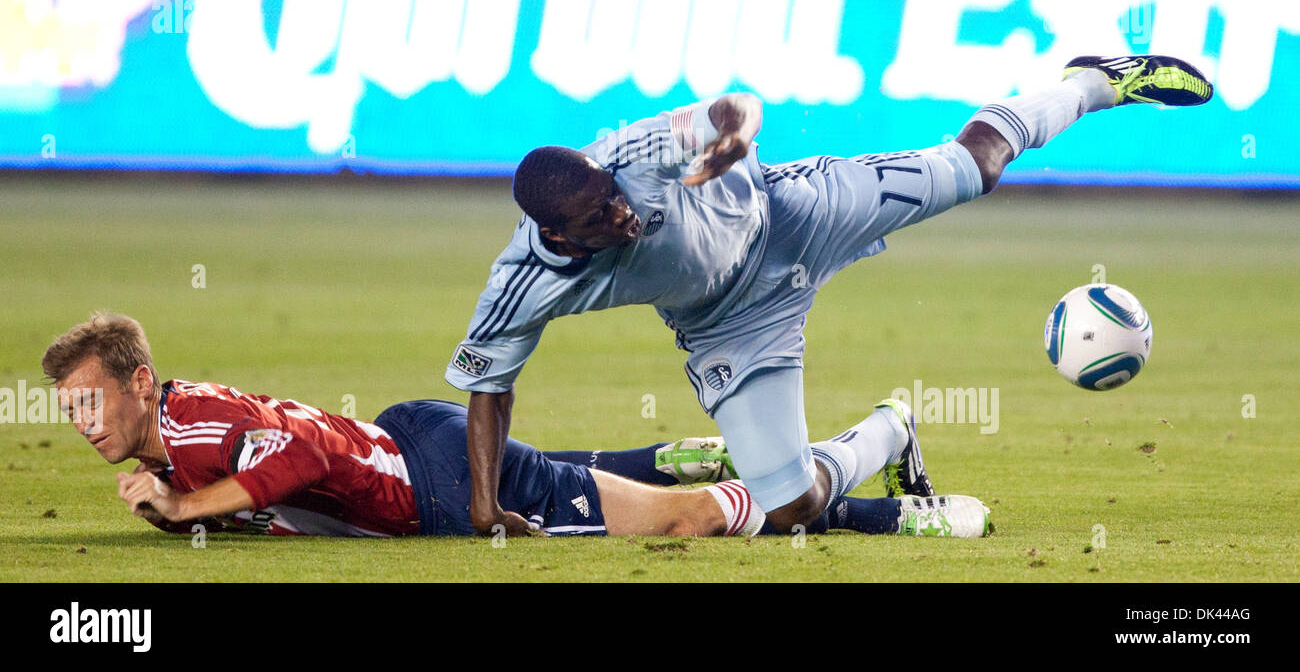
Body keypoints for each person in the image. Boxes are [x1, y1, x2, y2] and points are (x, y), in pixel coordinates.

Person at [448, 55, 1214, 537]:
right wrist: (484, 506)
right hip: (729, 322)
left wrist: (732, 142)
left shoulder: (629, 157)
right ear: (559, 233)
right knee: (792, 507)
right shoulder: (525, 282)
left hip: (798, 212)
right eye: (598, 218)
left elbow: (736, 104)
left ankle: (1093, 82)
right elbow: (489, 388)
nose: (620, 211)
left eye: (612, 198)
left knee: (973, 166)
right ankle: (890, 432)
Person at [44, 313, 992, 539]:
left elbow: (307, 450)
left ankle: (883, 457)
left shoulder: (196, 429)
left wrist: (187, 507)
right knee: (612, 481)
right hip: (423, 445)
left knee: (684, 521)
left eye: (92, 398)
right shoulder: (185, 430)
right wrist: (190, 504)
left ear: (139, 381)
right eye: (69, 409)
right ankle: (694, 453)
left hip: (449, 484)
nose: (83, 421)